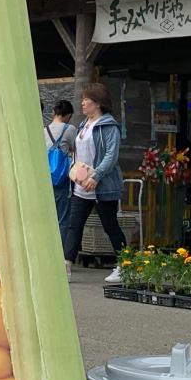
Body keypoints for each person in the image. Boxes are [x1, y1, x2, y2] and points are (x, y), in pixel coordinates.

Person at [62, 83, 127, 283]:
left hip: (102, 186)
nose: (82, 103)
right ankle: (66, 266)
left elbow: (111, 155)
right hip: (81, 187)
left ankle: (125, 266)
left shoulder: (108, 126)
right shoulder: (83, 125)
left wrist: (96, 176)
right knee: (74, 226)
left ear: (98, 103)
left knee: (110, 225)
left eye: (86, 99)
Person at [44, 99, 76, 236]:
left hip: (45, 177)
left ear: (53, 112)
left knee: (47, 216)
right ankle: (61, 247)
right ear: (68, 115)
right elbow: (76, 149)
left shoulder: (44, 130)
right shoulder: (70, 129)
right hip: (61, 177)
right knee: (62, 218)